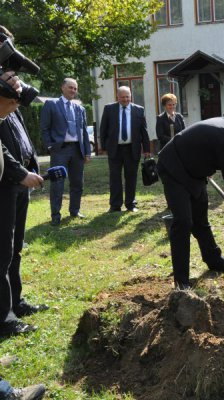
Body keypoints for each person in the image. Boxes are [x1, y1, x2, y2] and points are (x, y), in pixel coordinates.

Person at [157, 105, 224, 290]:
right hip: (174, 167)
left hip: (194, 171)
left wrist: (207, 163)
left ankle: (215, 261)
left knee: (200, 221)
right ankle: (181, 281)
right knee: (184, 222)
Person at [0, 67, 48, 337]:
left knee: (15, 248)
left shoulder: (9, 95)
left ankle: (15, 302)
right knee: (2, 252)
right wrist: (20, 173)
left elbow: (29, 97)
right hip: (6, 182)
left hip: (21, 182)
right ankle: (4, 317)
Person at [40, 78, 90, 226]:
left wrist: (87, 152)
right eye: (70, 87)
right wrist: (50, 146)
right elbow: (44, 128)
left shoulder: (80, 109)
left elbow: (84, 133)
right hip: (59, 150)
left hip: (77, 150)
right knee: (57, 184)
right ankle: (55, 215)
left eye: (75, 88)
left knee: (77, 183)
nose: (73, 91)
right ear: (62, 87)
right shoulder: (51, 104)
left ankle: (75, 210)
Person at [99, 86, 150, 212]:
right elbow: (103, 129)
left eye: (127, 96)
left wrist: (147, 149)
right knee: (115, 178)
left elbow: (144, 131)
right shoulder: (109, 109)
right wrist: (104, 147)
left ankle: (131, 204)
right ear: (118, 97)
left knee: (131, 177)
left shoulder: (139, 110)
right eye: (122, 97)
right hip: (115, 149)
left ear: (131, 96)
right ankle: (115, 205)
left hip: (132, 149)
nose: (125, 99)